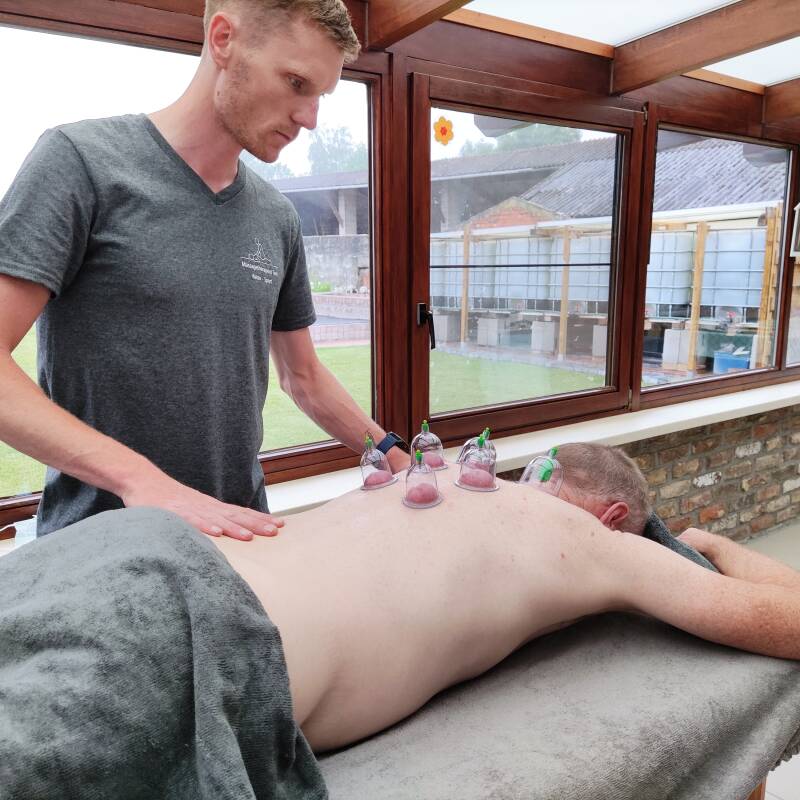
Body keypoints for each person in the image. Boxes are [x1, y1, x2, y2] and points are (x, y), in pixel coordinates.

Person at [2, 463, 799, 797]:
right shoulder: (596, 542)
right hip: (187, 628)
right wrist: (715, 546)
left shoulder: (439, 478)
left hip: (115, 548)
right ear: (616, 514)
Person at [0, 0, 408, 539]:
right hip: (102, 547)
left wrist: (395, 456)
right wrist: (140, 480)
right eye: (296, 83)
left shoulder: (276, 217)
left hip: (241, 534)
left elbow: (303, 377)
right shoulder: (81, 163)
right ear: (223, 39)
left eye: (321, 97)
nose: (309, 118)